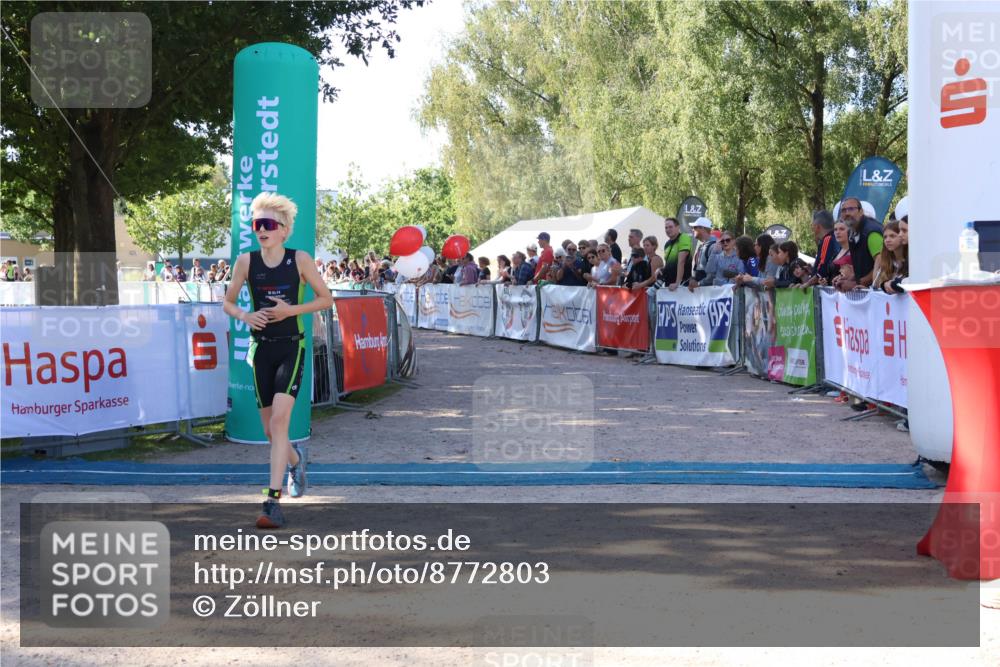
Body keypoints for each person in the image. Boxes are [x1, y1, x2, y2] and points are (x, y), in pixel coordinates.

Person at [222, 192, 333, 529]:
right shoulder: (245, 262)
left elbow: (326, 299)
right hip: (261, 349)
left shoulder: (299, 260)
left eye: (269, 224)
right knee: (271, 432)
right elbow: (227, 302)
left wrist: (290, 311)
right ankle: (296, 461)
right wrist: (245, 315)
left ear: (284, 230)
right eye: (257, 224)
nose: (262, 230)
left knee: (280, 422)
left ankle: (272, 501)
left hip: (291, 347)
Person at [839, 196, 884, 288]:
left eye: (851, 209)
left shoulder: (871, 232)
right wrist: (846, 279)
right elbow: (862, 268)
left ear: (861, 211)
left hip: (880, 294)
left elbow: (883, 264)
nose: (847, 213)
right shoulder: (851, 232)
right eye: (843, 210)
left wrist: (856, 283)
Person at [873, 221, 908, 294]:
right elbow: (875, 287)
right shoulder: (884, 260)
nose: (887, 240)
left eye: (892, 236)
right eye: (885, 237)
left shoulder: (911, 261)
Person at [658, 217, 692, 291]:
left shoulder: (683, 237)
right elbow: (670, 264)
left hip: (681, 286)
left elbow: (681, 261)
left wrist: (677, 283)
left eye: (670, 227)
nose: (668, 230)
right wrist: (661, 269)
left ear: (677, 227)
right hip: (669, 285)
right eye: (666, 228)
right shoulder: (667, 244)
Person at [811, 210, 840, 283]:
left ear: (818, 227)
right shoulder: (833, 238)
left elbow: (823, 268)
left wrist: (808, 283)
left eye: (812, 226)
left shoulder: (827, 239)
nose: (812, 229)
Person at [689, 217, 717, 283]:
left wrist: (699, 284)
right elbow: (698, 269)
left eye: (695, 227)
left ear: (703, 228)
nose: (693, 230)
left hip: (708, 291)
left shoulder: (714, 247)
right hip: (700, 290)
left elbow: (713, 274)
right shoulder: (701, 246)